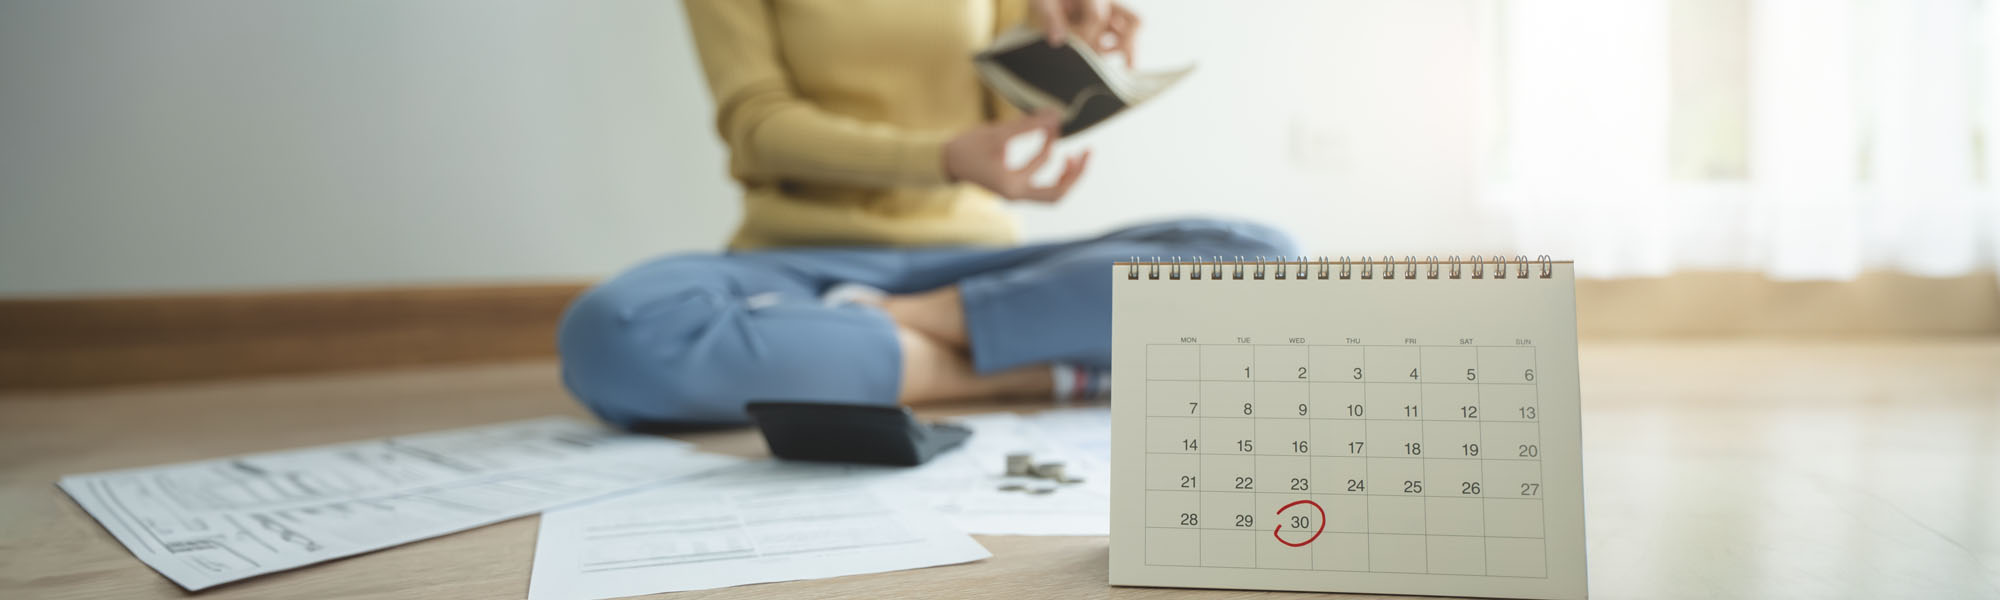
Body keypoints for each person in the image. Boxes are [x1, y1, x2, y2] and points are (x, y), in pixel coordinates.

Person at [558, 0, 1295, 428]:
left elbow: (1016, 121)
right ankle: (1036, 371)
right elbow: (758, 123)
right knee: (611, 334)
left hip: (973, 256)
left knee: (1260, 256)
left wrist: (1060, 51)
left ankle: (898, 326)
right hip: (791, 260)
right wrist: (939, 157)